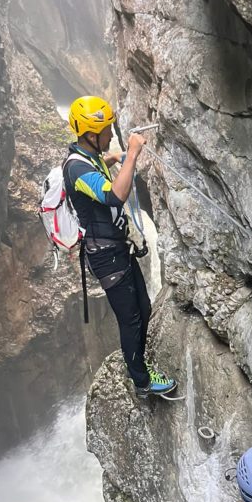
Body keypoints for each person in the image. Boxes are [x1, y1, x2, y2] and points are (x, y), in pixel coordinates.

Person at [64, 95, 176, 398]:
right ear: (90, 134)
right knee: (130, 318)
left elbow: (101, 164)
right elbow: (114, 196)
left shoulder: (89, 156)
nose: (111, 134)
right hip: (106, 257)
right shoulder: (76, 169)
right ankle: (141, 381)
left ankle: (139, 365)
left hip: (116, 250)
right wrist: (133, 155)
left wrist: (115, 157)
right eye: (106, 131)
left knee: (144, 306)